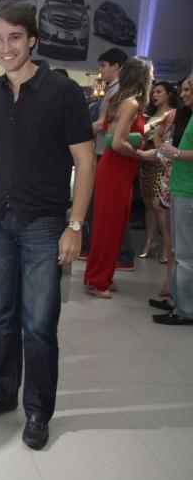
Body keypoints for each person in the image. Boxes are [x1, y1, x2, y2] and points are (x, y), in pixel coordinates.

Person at [0, 2, 95, 450]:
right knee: (1, 318)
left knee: (39, 325)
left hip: (44, 224)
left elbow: (86, 161)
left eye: (14, 37)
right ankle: (4, 393)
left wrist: (75, 225)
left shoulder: (63, 92)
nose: (6, 47)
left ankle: (39, 411)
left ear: (32, 40)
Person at [84, 57, 156, 299]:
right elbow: (117, 142)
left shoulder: (122, 101)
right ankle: (98, 280)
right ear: (142, 76)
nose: (153, 78)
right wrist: (143, 154)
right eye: (151, 73)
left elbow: (116, 134)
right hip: (116, 170)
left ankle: (99, 276)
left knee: (109, 226)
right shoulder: (131, 104)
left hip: (117, 170)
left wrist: (154, 124)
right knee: (109, 227)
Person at [84, 48, 135, 271]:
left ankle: (122, 255)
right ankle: (108, 254)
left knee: (111, 209)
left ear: (117, 66)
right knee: (106, 208)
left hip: (109, 154)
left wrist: (77, 132)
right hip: (107, 152)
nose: (101, 70)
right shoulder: (115, 91)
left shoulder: (120, 93)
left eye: (104, 65)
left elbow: (103, 124)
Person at [152, 73, 193, 326]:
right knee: (179, 251)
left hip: (188, 190)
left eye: (189, 89)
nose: (184, 94)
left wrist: (175, 153)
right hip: (180, 187)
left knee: (186, 255)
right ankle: (176, 301)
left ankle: (185, 308)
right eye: (184, 89)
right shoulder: (186, 115)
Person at [139, 81, 176, 265]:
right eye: (153, 92)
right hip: (146, 160)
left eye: (159, 92)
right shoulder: (150, 115)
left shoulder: (172, 114)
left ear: (168, 94)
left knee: (158, 205)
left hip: (161, 161)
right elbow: (143, 134)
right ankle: (150, 241)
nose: (155, 95)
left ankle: (168, 247)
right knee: (147, 203)